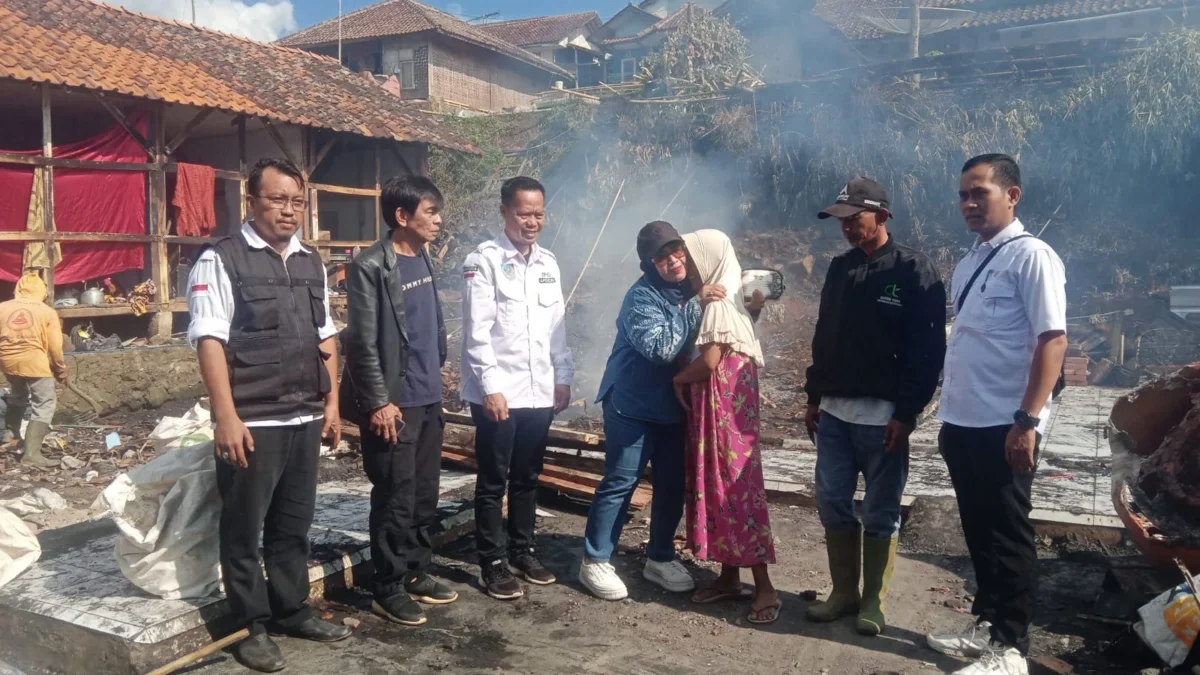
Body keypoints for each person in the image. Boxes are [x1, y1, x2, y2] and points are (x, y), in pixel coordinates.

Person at [187, 158, 350, 673]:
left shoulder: (310, 261)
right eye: (277, 200)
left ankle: (292, 608)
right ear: (251, 202)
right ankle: (249, 626)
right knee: (242, 529)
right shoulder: (222, 260)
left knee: (293, 524)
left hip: (304, 414)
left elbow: (325, 336)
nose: (288, 210)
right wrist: (225, 417)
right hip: (252, 419)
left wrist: (332, 406)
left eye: (297, 201)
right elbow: (210, 341)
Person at [926, 154, 1067, 675]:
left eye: (979, 192)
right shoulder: (972, 260)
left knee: (1008, 533)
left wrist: (1028, 421)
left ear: (1012, 195)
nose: (968, 203)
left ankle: (1010, 649)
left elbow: (1052, 341)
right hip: (962, 422)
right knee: (979, 529)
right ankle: (986, 626)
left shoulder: (1034, 257)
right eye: (963, 194)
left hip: (1004, 425)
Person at [802, 178, 946, 635]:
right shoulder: (840, 269)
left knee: (881, 509)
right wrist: (812, 395)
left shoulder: (912, 271)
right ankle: (843, 593)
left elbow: (928, 351)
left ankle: (872, 603)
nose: (846, 228)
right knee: (831, 501)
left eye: (854, 219)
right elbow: (824, 337)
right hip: (835, 415)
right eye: (841, 221)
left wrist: (908, 413)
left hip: (884, 419)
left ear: (882, 216)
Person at [341, 175, 455, 628]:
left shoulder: (422, 255)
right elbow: (362, 342)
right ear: (402, 216)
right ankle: (386, 587)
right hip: (394, 402)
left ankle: (416, 571)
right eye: (431, 211)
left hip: (427, 397)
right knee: (394, 495)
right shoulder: (371, 265)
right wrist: (378, 402)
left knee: (425, 492)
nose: (439, 219)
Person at [460, 176, 574, 600]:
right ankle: (491, 561)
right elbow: (477, 333)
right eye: (524, 213)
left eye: (539, 214)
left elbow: (556, 330)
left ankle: (523, 550)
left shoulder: (548, 263)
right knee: (493, 479)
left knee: (527, 476)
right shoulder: (484, 260)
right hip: (499, 393)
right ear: (505, 211)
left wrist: (562, 377)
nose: (532, 221)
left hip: (539, 390)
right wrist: (490, 388)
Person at [579, 221, 703, 601]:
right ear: (650, 264)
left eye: (677, 251)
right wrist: (699, 305)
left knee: (670, 483)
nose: (673, 261)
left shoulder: (690, 289)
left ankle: (660, 555)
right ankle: (595, 559)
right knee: (621, 479)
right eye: (662, 257)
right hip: (632, 404)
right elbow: (662, 349)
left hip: (672, 406)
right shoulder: (641, 298)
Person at [671, 229, 779, 624]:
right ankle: (729, 576)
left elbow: (711, 361)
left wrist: (680, 379)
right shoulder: (733, 300)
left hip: (725, 422)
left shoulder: (717, 307)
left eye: (693, 262)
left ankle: (765, 587)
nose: (689, 271)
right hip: (732, 420)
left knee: (735, 494)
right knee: (724, 492)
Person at [0, 271, 68, 468]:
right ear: (42, 291)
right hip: (35, 363)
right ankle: (32, 455)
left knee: (18, 393)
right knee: (44, 403)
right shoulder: (47, 312)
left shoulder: (2, 307)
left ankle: (10, 437)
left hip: (7, 361)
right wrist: (61, 370)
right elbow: (55, 347)